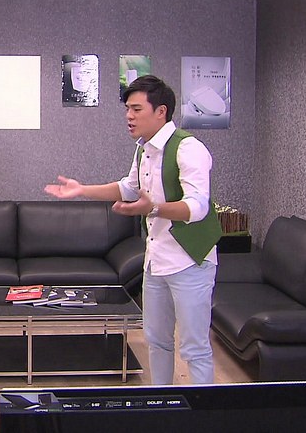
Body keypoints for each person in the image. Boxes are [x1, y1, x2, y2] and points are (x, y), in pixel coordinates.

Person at [44, 75, 222, 384]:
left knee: (194, 348)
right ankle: (161, 401)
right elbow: (128, 188)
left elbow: (197, 208)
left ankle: (202, 408)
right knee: (157, 340)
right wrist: (82, 189)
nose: (129, 116)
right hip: (156, 260)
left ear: (161, 111)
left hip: (191, 261)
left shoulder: (188, 148)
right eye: (127, 109)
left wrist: (153, 208)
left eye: (137, 109)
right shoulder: (143, 150)